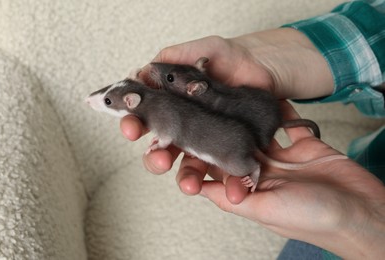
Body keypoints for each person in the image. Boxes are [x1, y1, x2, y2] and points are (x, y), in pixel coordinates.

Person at [120, 1, 385, 259]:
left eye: (169, 78)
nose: (157, 72)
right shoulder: (202, 95)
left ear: (194, 89)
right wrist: (271, 57)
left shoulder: (201, 99)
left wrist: (362, 229)